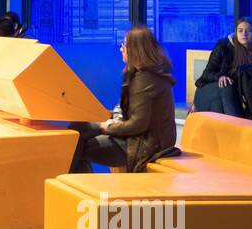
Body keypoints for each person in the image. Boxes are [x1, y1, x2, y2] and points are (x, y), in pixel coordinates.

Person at [66, 25, 177, 174]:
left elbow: (138, 124)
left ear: (136, 50)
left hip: (145, 144)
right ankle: (76, 187)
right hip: (140, 138)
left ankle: (77, 189)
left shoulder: (145, 79)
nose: (121, 49)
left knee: (76, 145)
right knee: (79, 129)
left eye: (124, 45)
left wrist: (107, 127)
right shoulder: (145, 74)